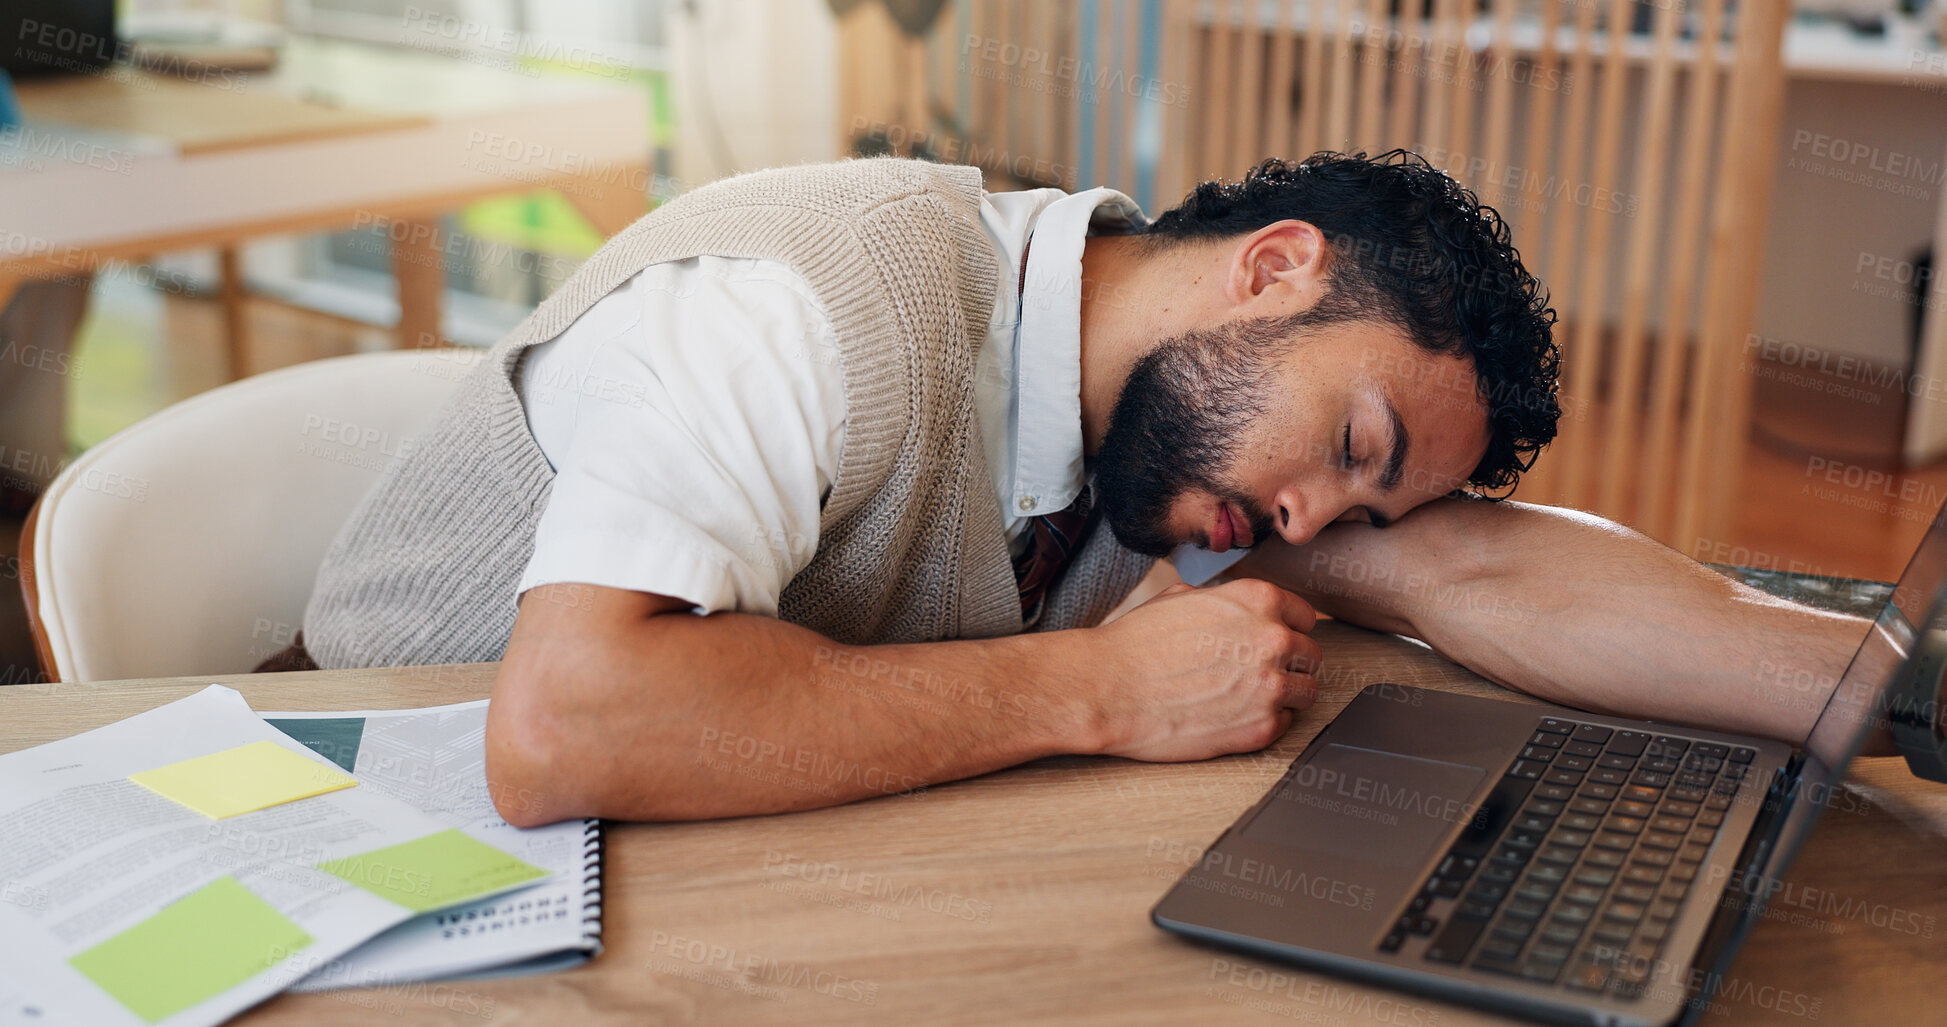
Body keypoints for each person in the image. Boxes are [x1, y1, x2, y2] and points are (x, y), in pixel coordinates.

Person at [280, 152, 1868, 826]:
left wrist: (1865, 688)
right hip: (345, 817)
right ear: (1271, 272)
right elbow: (572, 726)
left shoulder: (1175, 441)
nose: (1319, 523)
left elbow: (1479, 570)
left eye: (1365, 510)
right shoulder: (809, 304)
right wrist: (1098, 688)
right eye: (1359, 450)